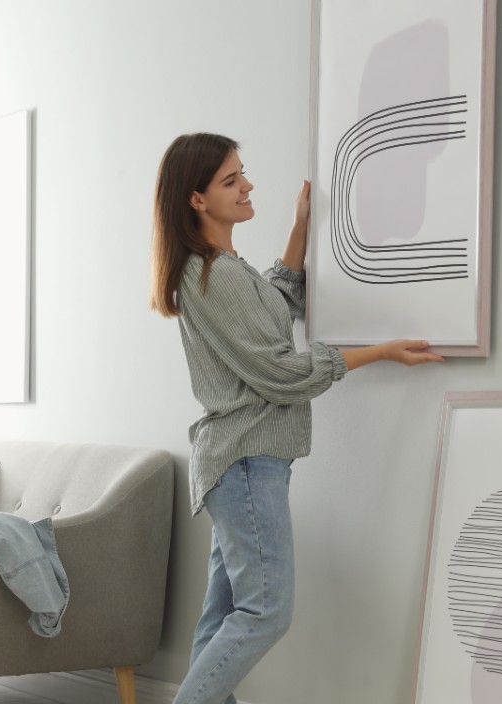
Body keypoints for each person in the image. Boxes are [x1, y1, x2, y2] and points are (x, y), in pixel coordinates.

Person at [150, 132, 444, 704]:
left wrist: (300, 225)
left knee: (223, 616)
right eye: (231, 180)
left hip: (238, 462)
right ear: (197, 200)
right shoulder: (213, 274)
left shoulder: (221, 268)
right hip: (244, 462)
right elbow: (280, 372)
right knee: (265, 612)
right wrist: (380, 352)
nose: (247, 184)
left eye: (243, 173)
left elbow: (274, 309)